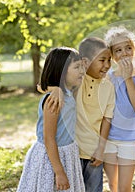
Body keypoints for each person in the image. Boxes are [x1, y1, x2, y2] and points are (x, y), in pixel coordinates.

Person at [45, 37, 115, 192]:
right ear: (85, 62)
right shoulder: (77, 81)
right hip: (72, 153)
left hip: (94, 152)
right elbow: (43, 85)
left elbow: (107, 120)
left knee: (93, 189)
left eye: (109, 60)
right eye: (102, 60)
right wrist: (54, 89)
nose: (107, 65)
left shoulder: (109, 87)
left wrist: (101, 149)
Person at [17, 47, 85, 192]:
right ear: (62, 71)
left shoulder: (69, 93)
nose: (82, 71)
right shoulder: (53, 101)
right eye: (77, 67)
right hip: (51, 158)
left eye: (82, 66)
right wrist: (59, 172)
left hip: (67, 153)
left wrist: (52, 88)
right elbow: (49, 138)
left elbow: (41, 86)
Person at [103, 26, 135, 192]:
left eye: (128, 48)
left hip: (128, 139)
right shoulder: (108, 77)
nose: (124, 53)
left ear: (134, 49)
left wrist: (127, 78)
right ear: (112, 55)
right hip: (108, 137)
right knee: (113, 185)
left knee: (125, 187)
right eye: (118, 50)